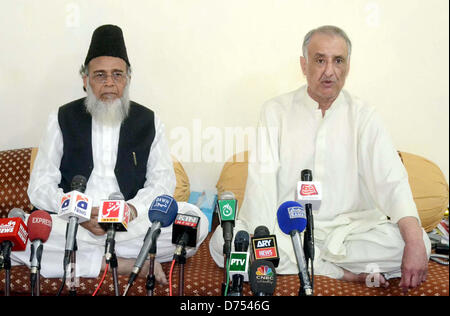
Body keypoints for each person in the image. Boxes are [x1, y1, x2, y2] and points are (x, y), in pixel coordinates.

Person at [209, 25, 431, 292]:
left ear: (348, 66)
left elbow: (391, 181)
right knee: (225, 242)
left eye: (338, 61)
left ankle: (310, 264)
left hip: (348, 235)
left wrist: (415, 243)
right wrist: (267, 239)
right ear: (304, 65)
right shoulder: (275, 112)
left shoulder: (364, 115)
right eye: (320, 60)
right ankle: (339, 273)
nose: (329, 71)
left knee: (419, 242)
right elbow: (261, 188)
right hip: (287, 231)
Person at [11, 25, 208, 285]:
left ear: (127, 78)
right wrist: (79, 215)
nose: (109, 84)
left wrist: (132, 210)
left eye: (117, 74)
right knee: (14, 235)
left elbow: (163, 183)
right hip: (75, 225)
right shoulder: (61, 118)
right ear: (85, 79)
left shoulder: (148, 120)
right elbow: (39, 187)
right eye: (100, 75)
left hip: (130, 225)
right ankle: (123, 261)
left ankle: (91, 258)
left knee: (194, 221)